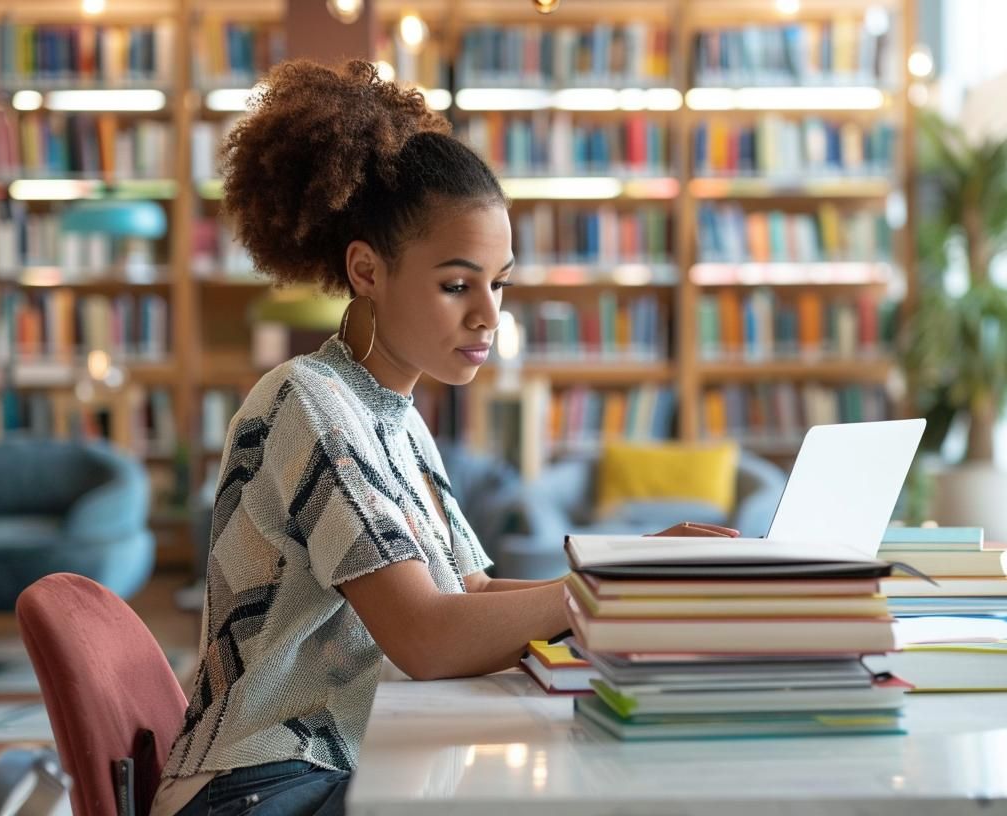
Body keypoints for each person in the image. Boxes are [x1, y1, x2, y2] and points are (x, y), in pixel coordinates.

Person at [149, 59, 736, 816]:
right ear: (367, 270)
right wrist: (612, 589)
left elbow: (469, 594)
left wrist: (643, 569)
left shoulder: (394, 416)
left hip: (351, 767)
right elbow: (428, 639)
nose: (488, 315)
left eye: (500, 283)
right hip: (260, 787)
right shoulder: (310, 403)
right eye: (458, 284)